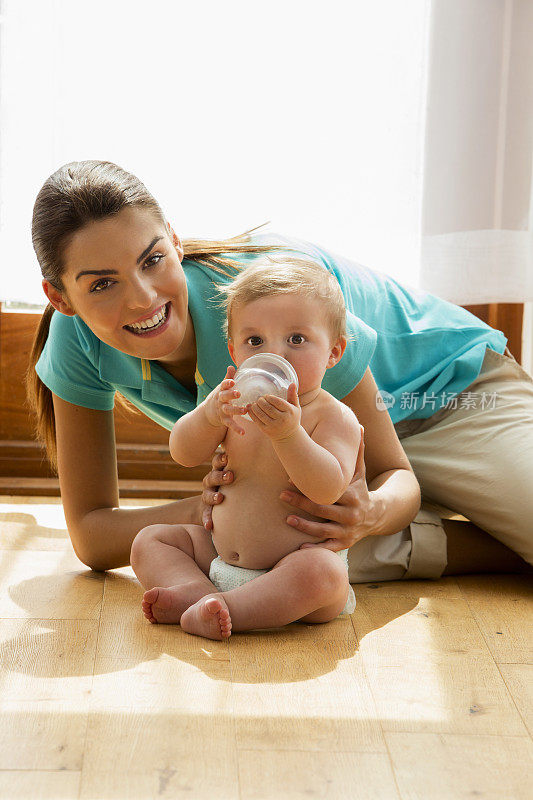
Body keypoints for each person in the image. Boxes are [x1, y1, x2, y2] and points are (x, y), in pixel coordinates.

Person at [27, 160, 533, 596]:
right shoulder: (77, 342)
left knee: (282, 542)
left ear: (175, 243)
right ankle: (497, 550)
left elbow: (390, 471)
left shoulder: (268, 296)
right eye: (103, 284)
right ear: (61, 297)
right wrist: (218, 508)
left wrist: (372, 511)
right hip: (322, 459)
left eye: (152, 259)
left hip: (450, 397)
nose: (141, 298)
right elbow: (93, 537)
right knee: (265, 553)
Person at [130, 256, 362, 639]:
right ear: (235, 353)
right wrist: (208, 417)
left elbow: (328, 488)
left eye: (297, 339)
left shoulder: (333, 417)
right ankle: (198, 592)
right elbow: (183, 453)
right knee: (150, 540)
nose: (276, 355)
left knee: (325, 573)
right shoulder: (233, 404)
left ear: (334, 352)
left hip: (292, 572)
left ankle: (228, 610)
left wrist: (290, 436)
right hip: (219, 559)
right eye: (255, 341)